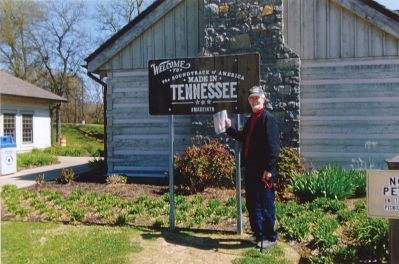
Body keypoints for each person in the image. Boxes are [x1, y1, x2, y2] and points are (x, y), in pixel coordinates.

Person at [225, 85, 280, 249]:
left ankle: (270, 237)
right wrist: (229, 128)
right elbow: (243, 137)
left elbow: (274, 147)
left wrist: (269, 169)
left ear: (263, 99)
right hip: (251, 170)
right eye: (251, 98)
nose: (254, 100)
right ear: (249, 101)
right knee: (252, 203)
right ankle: (259, 235)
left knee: (266, 204)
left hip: (263, 172)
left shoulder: (267, 119)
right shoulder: (252, 119)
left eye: (257, 97)